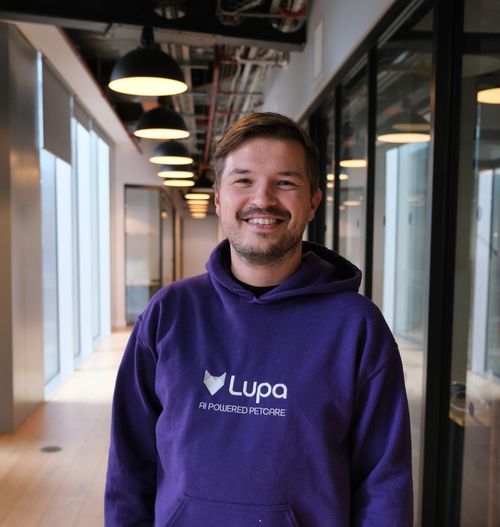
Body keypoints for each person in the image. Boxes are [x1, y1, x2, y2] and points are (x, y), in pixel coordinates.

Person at [105, 112, 413, 526]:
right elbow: (129, 465)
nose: (263, 199)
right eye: (243, 180)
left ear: (313, 202)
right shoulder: (169, 314)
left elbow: (385, 485)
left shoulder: (357, 328)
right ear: (218, 199)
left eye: (285, 182)